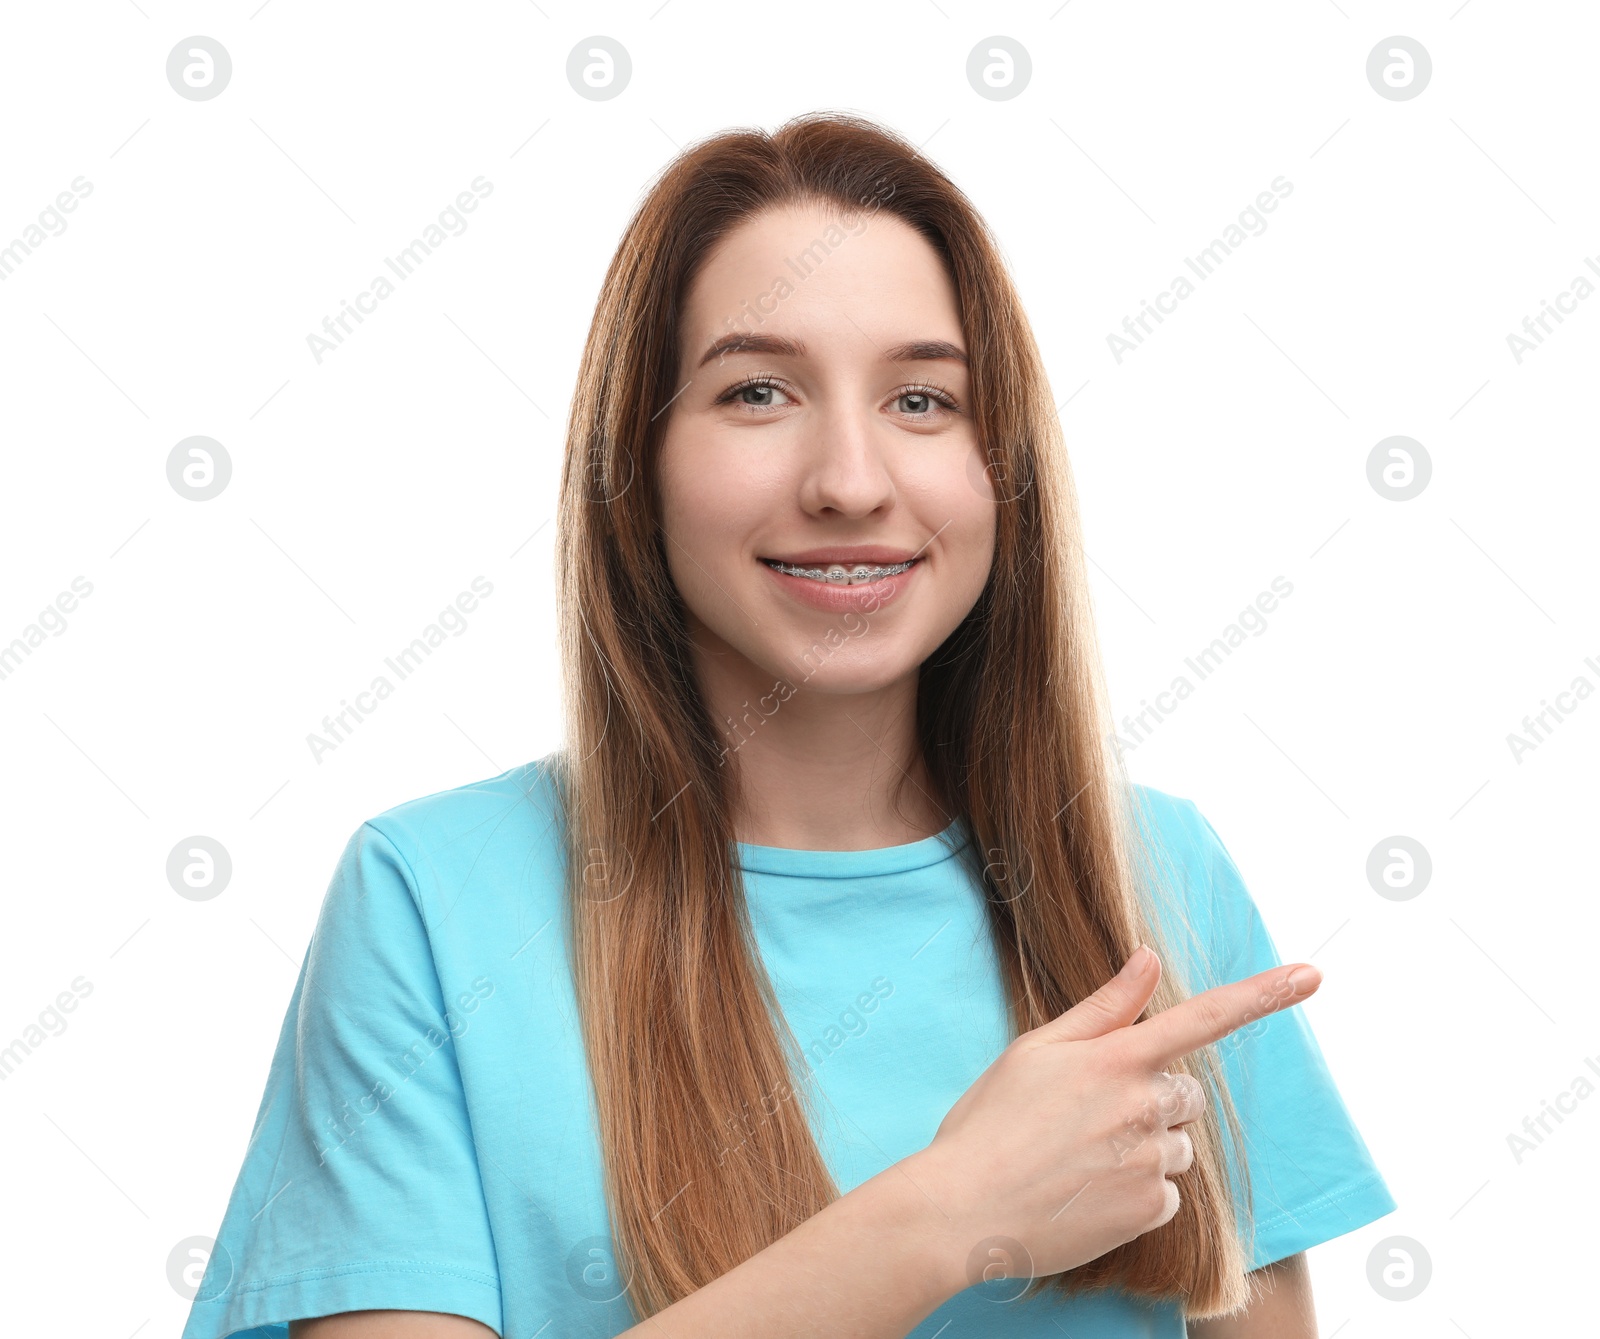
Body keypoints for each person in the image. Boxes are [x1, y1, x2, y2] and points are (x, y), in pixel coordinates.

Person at [181, 112, 1395, 1339]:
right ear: (636, 459)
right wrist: (950, 1208)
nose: (851, 480)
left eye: (923, 399)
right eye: (757, 392)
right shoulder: (430, 901)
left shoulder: (1160, 874)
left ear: (1001, 466)